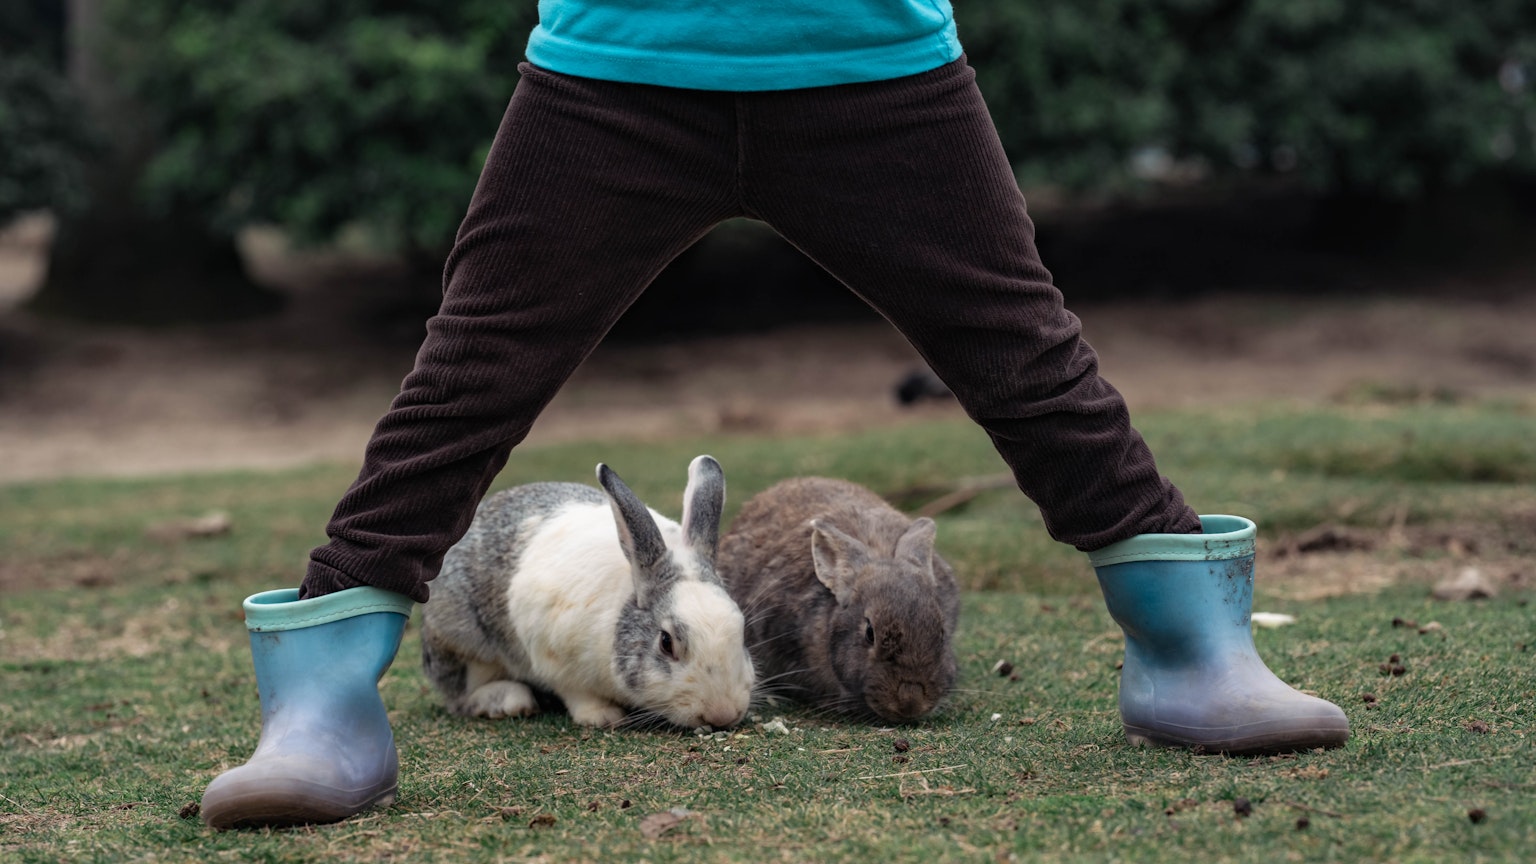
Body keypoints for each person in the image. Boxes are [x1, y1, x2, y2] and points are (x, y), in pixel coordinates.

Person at [198, 1, 1349, 829]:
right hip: (616, 59)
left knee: (1026, 357)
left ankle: (1194, 650)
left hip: (873, 55)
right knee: (468, 375)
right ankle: (325, 705)